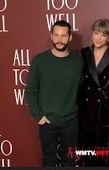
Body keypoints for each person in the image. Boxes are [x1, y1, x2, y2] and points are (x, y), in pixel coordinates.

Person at [25, 20, 83, 167]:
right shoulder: (39, 60)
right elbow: (31, 90)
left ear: (70, 37)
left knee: (69, 161)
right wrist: (39, 116)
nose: (59, 39)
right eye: (56, 35)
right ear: (51, 36)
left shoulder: (78, 60)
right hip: (47, 121)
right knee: (49, 161)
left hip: (70, 121)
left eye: (64, 35)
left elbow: (83, 88)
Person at [78, 18, 109, 166]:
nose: (98, 38)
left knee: (103, 153)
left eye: (103, 35)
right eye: (96, 33)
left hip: (106, 109)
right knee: (86, 152)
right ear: (92, 33)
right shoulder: (84, 53)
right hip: (86, 109)